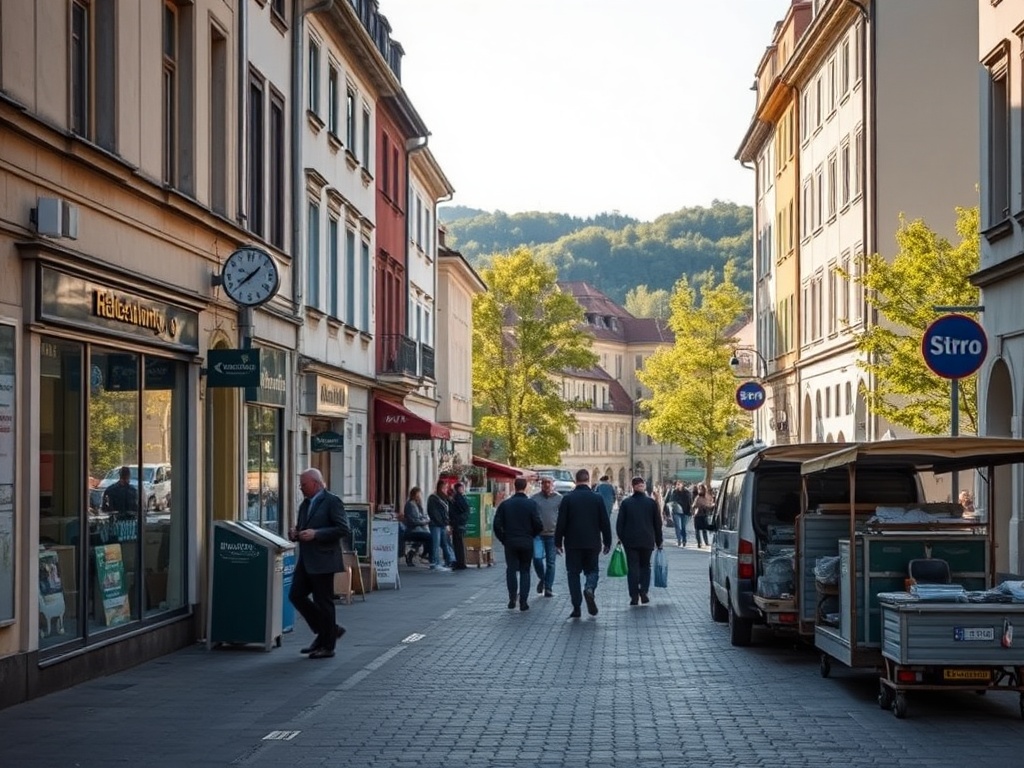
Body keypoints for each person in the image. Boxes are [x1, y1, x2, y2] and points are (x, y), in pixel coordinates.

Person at [288, 468, 350, 659]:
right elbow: (304, 526)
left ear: (315, 483)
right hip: (306, 559)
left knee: (324, 602)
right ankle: (329, 630)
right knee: (296, 595)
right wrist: (296, 533)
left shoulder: (332, 501)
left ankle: (327, 645)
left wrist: (317, 534)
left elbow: (343, 528)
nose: (301, 488)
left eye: (304, 485)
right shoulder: (305, 504)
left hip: (324, 559)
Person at [555, 468, 612, 619]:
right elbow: (605, 522)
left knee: (573, 574)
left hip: (572, 543)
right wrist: (607, 541)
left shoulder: (567, 499)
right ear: (588, 480)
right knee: (592, 570)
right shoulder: (597, 498)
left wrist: (557, 542)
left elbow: (561, 522)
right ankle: (589, 588)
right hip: (592, 543)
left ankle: (576, 607)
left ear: (576, 480)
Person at [493, 477, 543, 611]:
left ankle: (512, 598)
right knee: (525, 570)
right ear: (525, 487)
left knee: (511, 570)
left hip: (510, 541)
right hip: (526, 541)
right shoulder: (531, 504)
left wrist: (503, 538)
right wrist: (532, 535)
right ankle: (523, 601)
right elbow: (538, 524)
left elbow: (496, 524)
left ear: (514, 487)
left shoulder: (505, 504)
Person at [616, 476, 663, 605]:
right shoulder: (651, 503)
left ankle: (634, 595)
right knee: (645, 566)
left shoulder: (626, 503)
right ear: (643, 486)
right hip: (647, 539)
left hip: (630, 541)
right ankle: (644, 591)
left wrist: (621, 538)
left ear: (632, 487)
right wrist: (659, 541)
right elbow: (657, 524)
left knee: (632, 567)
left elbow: (620, 524)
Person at [530, 476, 562, 597]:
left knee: (551, 562)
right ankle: (543, 579)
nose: (546, 485)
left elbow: (562, 517)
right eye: (544, 483)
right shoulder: (534, 499)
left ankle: (548, 588)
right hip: (538, 535)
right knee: (537, 559)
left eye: (548, 482)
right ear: (541, 484)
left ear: (553, 484)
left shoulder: (559, 499)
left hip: (552, 535)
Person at [426, 480, 456, 571]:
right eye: (443, 488)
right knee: (436, 544)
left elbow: (447, 511)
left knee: (445, 543)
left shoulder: (444, 498)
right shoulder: (433, 498)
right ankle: (435, 563)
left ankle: (449, 561)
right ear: (439, 488)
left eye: (446, 488)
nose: (445, 489)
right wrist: (443, 522)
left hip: (443, 525)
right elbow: (434, 512)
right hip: (436, 525)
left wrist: (447, 523)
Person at [402, 487, 432, 566]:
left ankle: (412, 554)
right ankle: (424, 555)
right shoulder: (410, 505)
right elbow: (413, 521)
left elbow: (422, 515)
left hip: (419, 529)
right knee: (430, 537)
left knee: (425, 538)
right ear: (414, 495)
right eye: (418, 494)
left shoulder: (417, 504)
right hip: (413, 530)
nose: (420, 496)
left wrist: (426, 519)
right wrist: (424, 522)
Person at [449, 482, 471, 570]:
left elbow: (460, 511)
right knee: (459, 544)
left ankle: (460, 562)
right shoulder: (460, 498)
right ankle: (461, 562)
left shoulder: (457, 498)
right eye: (462, 487)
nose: (463, 489)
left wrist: (454, 521)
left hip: (457, 523)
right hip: (459, 523)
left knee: (458, 544)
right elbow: (466, 510)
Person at [668, 481, 693, 547]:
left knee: (683, 527)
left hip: (685, 511)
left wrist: (690, 511)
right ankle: (679, 540)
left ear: (682, 485)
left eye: (679, 484)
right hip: (676, 511)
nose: (678, 485)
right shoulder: (674, 492)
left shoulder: (687, 492)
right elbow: (671, 500)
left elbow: (690, 502)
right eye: (677, 484)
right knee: (678, 526)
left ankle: (684, 540)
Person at [692, 483, 714, 548]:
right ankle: (699, 543)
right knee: (697, 530)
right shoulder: (697, 497)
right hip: (697, 515)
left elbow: (710, 505)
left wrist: (707, 506)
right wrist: (696, 507)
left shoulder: (707, 497)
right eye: (699, 489)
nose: (700, 490)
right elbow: (693, 506)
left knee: (704, 529)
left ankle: (706, 542)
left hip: (704, 515)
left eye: (701, 489)